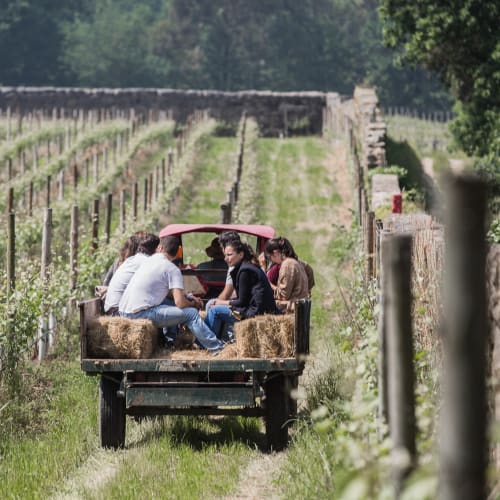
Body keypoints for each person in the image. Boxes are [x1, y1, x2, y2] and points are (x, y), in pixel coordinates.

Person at [119, 235, 224, 354]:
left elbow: (167, 293)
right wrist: (193, 303)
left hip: (124, 311)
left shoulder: (148, 261)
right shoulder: (172, 269)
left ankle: (170, 342)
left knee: (170, 303)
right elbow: (180, 303)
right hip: (139, 314)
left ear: (160, 247)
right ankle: (217, 348)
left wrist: (188, 297)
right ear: (177, 253)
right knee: (191, 314)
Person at [205, 240, 281, 340]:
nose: (226, 259)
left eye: (229, 255)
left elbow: (242, 302)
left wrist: (221, 302)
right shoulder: (247, 267)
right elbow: (245, 296)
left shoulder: (245, 271)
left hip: (254, 313)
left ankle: (209, 344)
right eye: (225, 255)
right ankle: (222, 340)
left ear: (241, 254)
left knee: (214, 310)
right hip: (257, 310)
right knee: (214, 304)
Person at [104, 232, 160, 315]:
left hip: (112, 308)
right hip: (119, 310)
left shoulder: (132, 260)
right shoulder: (145, 261)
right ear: (156, 249)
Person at [264, 237, 311, 312]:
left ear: (275, 253)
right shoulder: (294, 262)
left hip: (293, 310)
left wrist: (269, 284)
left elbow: (283, 296)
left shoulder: (287, 265)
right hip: (299, 307)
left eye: (270, 257)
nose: (271, 260)